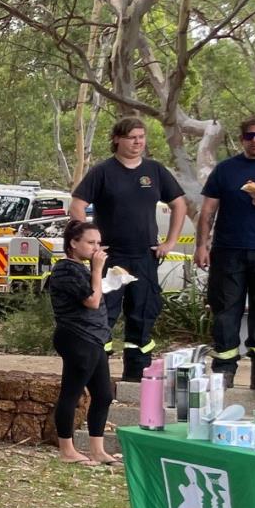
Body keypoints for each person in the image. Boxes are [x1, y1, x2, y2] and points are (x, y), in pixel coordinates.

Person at [70, 117, 187, 381]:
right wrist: (92, 243)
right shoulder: (103, 172)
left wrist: (170, 243)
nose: (138, 142)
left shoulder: (155, 171)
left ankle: (135, 378)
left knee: (142, 316)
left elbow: (180, 204)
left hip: (145, 256)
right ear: (117, 139)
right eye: (132, 137)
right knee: (103, 315)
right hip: (111, 259)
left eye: (141, 137)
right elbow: (77, 206)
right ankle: (97, 378)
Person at [195, 113, 255, 393]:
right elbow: (207, 211)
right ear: (242, 139)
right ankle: (224, 371)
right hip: (228, 251)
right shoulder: (226, 170)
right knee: (225, 311)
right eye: (250, 136)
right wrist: (201, 246)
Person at [44, 218, 116, 465]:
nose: (96, 248)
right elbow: (92, 301)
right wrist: (97, 270)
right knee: (71, 394)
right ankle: (67, 449)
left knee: (104, 394)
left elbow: (96, 294)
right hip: (76, 337)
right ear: (73, 243)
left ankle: (97, 449)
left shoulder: (81, 269)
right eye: (90, 242)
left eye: (98, 243)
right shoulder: (66, 269)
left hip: (95, 338)